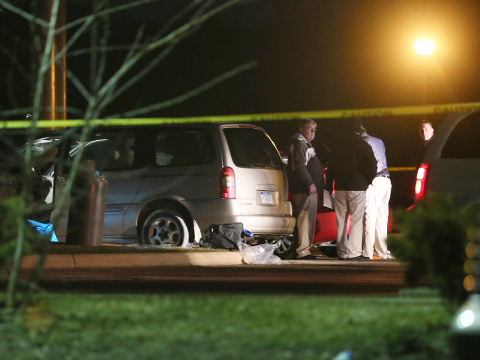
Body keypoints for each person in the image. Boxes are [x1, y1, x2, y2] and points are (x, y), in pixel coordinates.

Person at [325, 118, 377, 260]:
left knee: (340, 220)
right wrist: (367, 181)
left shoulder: (337, 145)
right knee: (356, 219)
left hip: (340, 186)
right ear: (359, 131)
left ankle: (341, 252)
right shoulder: (364, 145)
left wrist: (329, 185)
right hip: (358, 186)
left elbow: (331, 168)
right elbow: (373, 166)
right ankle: (354, 252)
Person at [287, 119, 324, 260]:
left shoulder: (304, 143)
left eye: (315, 129)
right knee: (305, 219)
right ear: (302, 129)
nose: (313, 132)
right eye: (310, 129)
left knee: (306, 219)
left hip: (307, 188)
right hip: (304, 188)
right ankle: (303, 251)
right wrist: (309, 182)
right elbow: (299, 166)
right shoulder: (299, 144)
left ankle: (304, 249)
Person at [360, 126, 393, 259]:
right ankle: (381, 251)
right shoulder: (379, 140)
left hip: (374, 181)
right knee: (382, 218)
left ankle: (367, 252)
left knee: (370, 216)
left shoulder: (363, 143)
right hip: (386, 180)